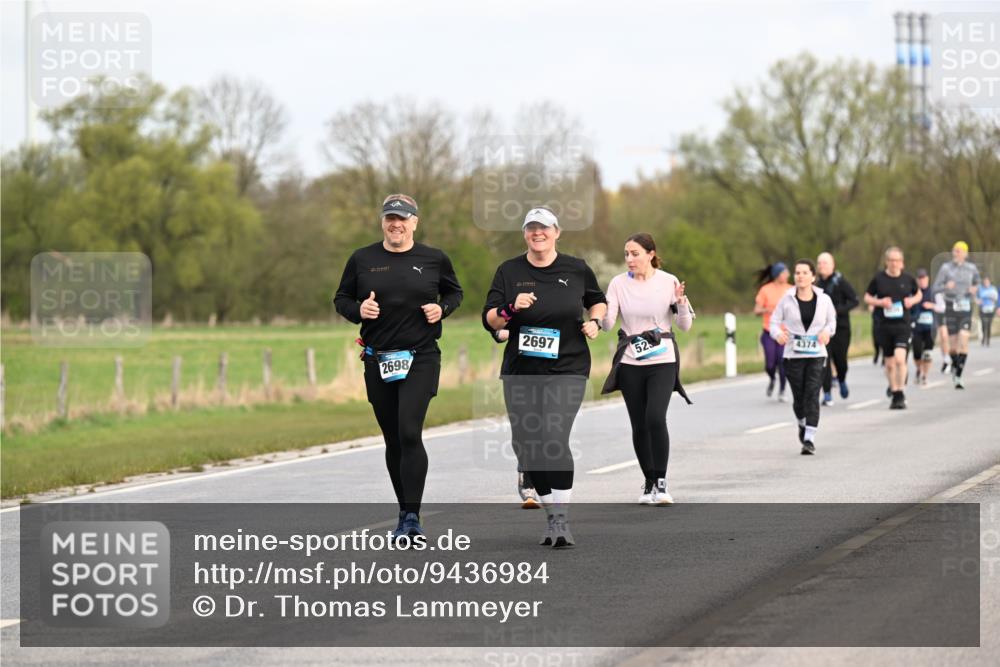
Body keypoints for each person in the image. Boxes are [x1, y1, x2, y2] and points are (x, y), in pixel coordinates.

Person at [334, 194, 463, 541]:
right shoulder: (362, 259)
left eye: (403, 218)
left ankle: (412, 517)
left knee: (409, 430)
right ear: (382, 222)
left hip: (420, 356)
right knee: (393, 437)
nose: (396, 224)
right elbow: (341, 299)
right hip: (378, 358)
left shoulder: (434, 259)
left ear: (415, 223)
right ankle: (404, 511)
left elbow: (455, 293)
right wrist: (358, 311)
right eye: (391, 218)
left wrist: (443, 310)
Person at [483, 206, 607, 548]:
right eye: (531, 228)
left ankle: (560, 518)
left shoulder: (576, 268)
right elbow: (490, 319)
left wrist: (594, 322)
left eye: (544, 228)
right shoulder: (508, 271)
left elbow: (598, 302)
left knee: (554, 435)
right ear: (525, 233)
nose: (538, 233)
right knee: (528, 444)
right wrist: (511, 309)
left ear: (557, 232)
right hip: (522, 371)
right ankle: (549, 508)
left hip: (568, 366)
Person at [600, 233, 694, 505]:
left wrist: (681, 302)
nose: (629, 259)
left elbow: (685, 326)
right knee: (639, 424)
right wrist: (599, 309)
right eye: (626, 254)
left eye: (635, 253)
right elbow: (607, 325)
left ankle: (662, 483)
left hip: (662, 359)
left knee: (655, 417)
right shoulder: (618, 283)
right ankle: (648, 481)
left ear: (651, 254)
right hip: (630, 361)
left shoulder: (669, 281)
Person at [770, 259, 837, 455]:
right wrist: (778, 335)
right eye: (797, 272)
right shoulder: (786, 298)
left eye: (805, 272)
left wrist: (827, 332)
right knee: (799, 397)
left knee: (812, 394)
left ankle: (809, 438)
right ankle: (801, 422)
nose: (800, 276)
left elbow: (832, 322)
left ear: (813, 277)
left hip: (817, 353)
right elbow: (774, 322)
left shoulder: (824, 300)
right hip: (793, 354)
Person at [864, 247, 922, 409]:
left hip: (903, 325)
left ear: (902, 263)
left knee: (899, 359)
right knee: (889, 364)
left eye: (897, 260)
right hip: (884, 326)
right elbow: (867, 297)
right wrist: (880, 302)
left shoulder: (908, 279)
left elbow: (918, 294)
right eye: (891, 260)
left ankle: (900, 392)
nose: (894, 263)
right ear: (886, 262)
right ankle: (894, 391)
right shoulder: (879, 279)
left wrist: (912, 301)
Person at [933, 241, 981, 389]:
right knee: (953, 346)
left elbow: (978, 283)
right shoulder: (946, 268)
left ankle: (958, 374)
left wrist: (974, 288)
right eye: (955, 250)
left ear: (965, 254)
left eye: (959, 251)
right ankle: (955, 363)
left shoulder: (971, 268)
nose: (956, 253)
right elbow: (935, 287)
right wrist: (946, 286)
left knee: (964, 339)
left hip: (965, 305)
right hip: (950, 306)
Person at [815, 252, 859, 406]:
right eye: (819, 263)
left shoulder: (841, 282)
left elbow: (855, 300)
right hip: (822, 330)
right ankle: (826, 393)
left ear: (832, 265)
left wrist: (838, 310)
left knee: (840, 360)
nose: (822, 266)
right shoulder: (815, 285)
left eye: (825, 263)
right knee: (824, 360)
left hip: (841, 327)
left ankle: (841, 379)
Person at [754, 263, 790, 401]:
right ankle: (772, 378)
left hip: (784, 333)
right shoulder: (765, 290)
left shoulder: (791, 289)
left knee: (782, 361)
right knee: (770, 364)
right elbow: (756, 310)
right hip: (769, 331)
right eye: (784, 273)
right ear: (777, 274)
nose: (787, 275)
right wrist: (767, 310)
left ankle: (782, 390)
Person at [910, 268, 937, 385]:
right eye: (920, 279)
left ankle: (925, 375)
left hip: (930, 328)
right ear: (917, 280)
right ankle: (918, 368)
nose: (922, 281)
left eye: (924, 278)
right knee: (916, 353)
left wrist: (931, 305)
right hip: (917, 327)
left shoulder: (934, 293)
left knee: (927, 353)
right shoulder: (913, 293)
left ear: (927, 279)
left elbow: (942, 307)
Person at [977, 276, 997, 347]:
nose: (986, 283)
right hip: (983, 309)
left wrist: (997, 306)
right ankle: (983, 338)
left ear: (989, 282)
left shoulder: (993, 289)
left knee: (988, 324)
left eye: (987, 282)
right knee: (983, 324)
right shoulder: (980, 289)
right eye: (985, 282)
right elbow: (977, 297)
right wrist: (978, 301)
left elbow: (996, 298)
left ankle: (988, 339)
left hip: (991, 309)